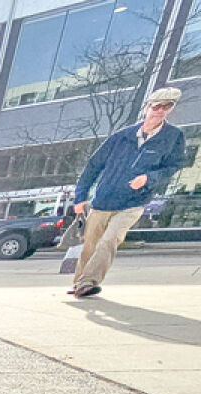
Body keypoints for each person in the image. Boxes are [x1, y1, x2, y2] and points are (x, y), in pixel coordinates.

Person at [69, 87, 187, 297]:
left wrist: (149, 178)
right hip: (103, 201)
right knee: (91, 246)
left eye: (167, 106)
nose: (160, 110)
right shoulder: (121, 136)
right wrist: (80, 197)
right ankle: (78, 283)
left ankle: (88, 282)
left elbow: (174, 166)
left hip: (133, 203)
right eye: (156, 106)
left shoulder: (173, 137)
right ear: (147, 107)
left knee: (110, 240)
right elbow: (93, 166)